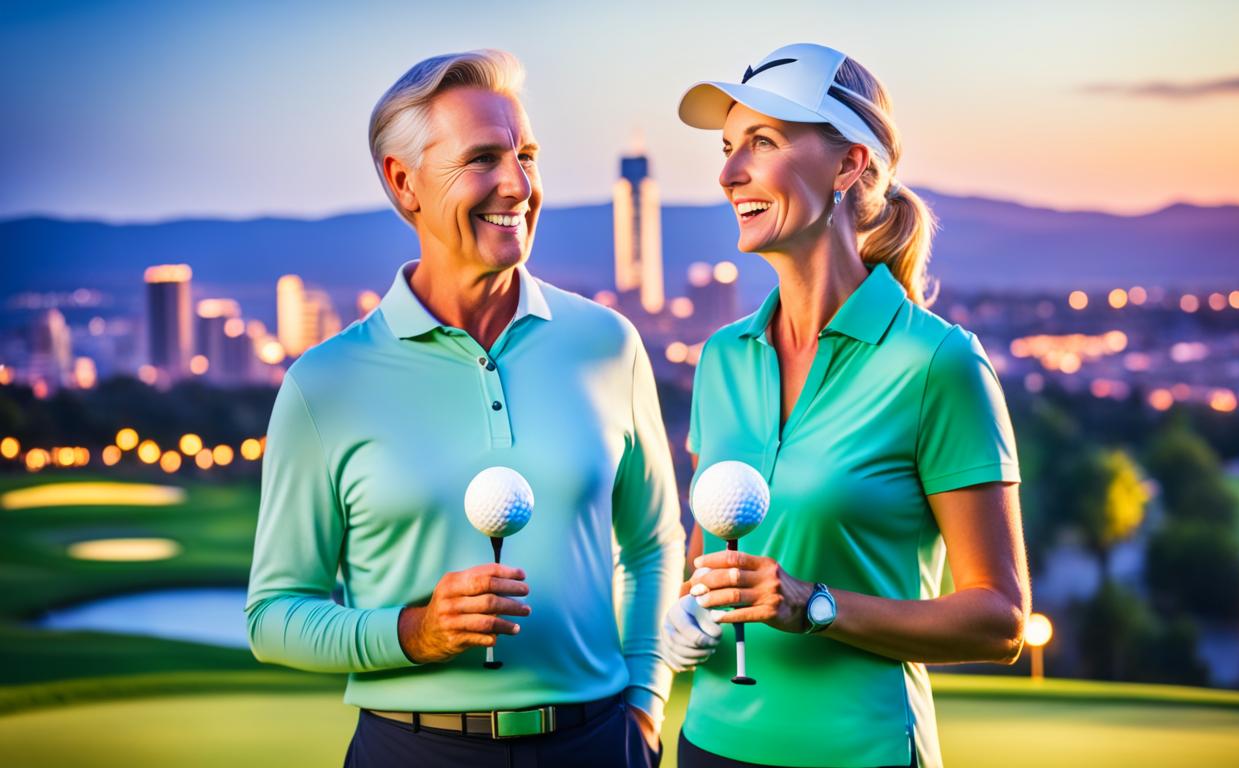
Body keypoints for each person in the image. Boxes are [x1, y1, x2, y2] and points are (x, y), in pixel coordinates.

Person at [245, 49, 682, 768]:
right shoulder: (324, 385)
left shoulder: (608, 343)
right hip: (409, 750)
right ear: (404, 183)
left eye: (528, 156)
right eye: (483, 159)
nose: (519, 185)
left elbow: (653, 543)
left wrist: (645, 704)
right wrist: (412, 633)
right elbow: (274, 616)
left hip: (600, 745)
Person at [662, 44, 1031, 768]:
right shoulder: (720, 359)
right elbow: (718, 561)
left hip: (860, 751)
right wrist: (684, 610)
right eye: (728, 147)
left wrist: (814, 605)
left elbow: (1000, 620)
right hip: (708, 744)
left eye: (762, 143)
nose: (729, 172)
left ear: (848, 165)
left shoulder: (936, 362)